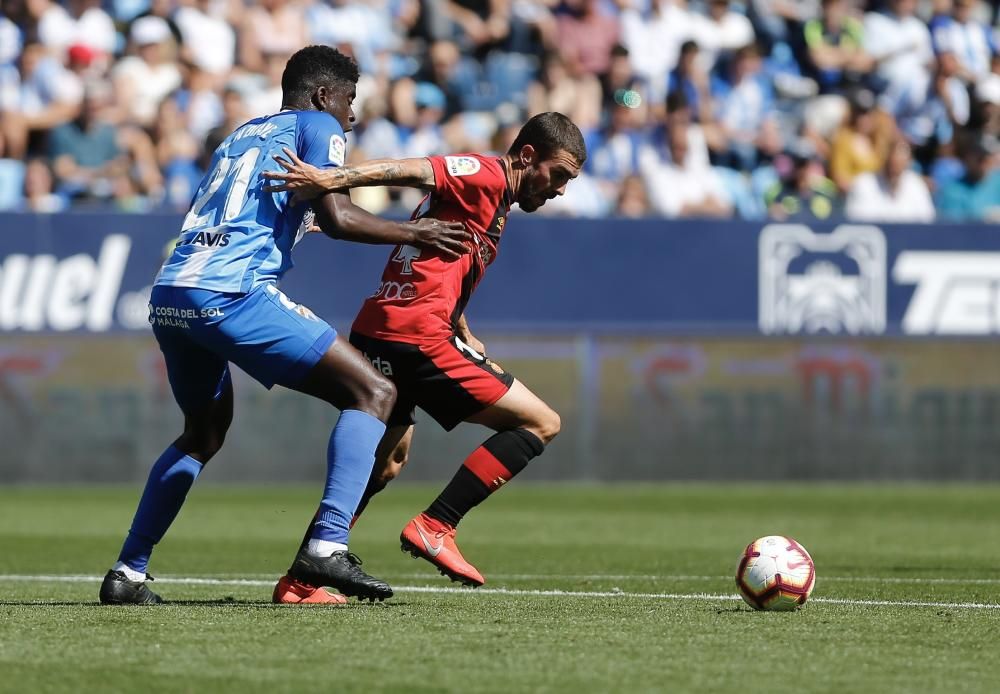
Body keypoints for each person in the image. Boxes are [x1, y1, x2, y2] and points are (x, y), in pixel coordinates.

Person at [99, 46, 470, 606]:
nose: (352, 115)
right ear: (324, 95)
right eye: (349, 100)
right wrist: (415, 233)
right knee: (375, 391)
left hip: (172, 291)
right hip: (231, 290)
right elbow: (340, 217)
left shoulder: (243, 132)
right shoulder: (319, 124)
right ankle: (326, 544)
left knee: (203, 434)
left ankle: (128, 571)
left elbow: (237, 208)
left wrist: (293, 225)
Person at [263, 111, 585, 592]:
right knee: (541, 422)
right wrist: (332, 178)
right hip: (415, 335)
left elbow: (440, 268)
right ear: (527, 156)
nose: (559, 189)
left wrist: (462, 327)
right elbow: (411, 168)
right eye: (557, 175)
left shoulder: (493, 204)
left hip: (381, 327)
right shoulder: (486, 174)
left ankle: (301, 579)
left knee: (387, 462)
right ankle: (438, 526)